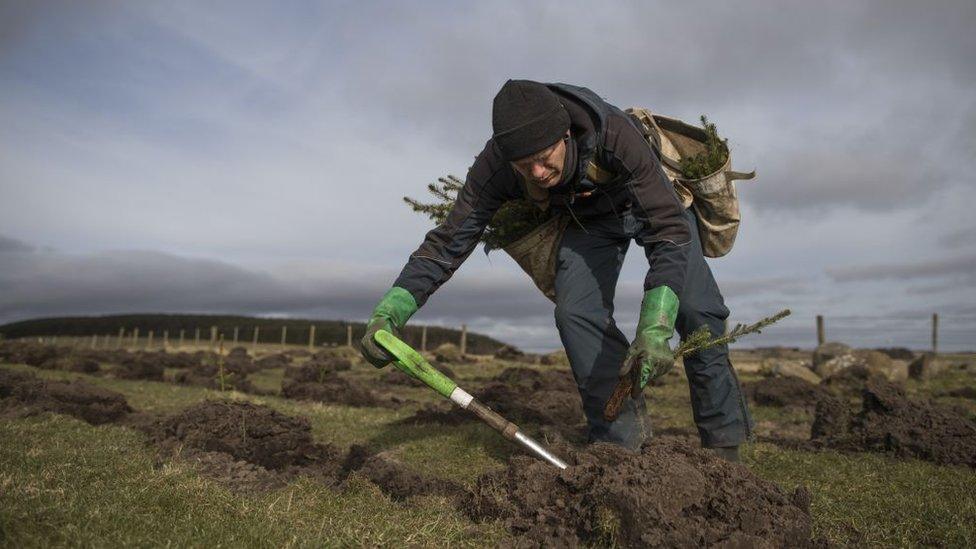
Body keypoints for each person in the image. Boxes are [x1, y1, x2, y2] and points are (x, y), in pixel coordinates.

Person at [360, 79, 752, 461]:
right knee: (575, 313)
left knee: (697, 310)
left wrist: (655, 325)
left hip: (653, 204)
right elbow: (449, 241)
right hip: (589, 221)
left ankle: (724, 444)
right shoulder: (496, 166)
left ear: (565, 134)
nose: (537, 174)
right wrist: (391, 310)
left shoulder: (614, 133)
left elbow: (667, 230)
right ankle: (619, 446)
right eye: (523, 166)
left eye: (544, 159)